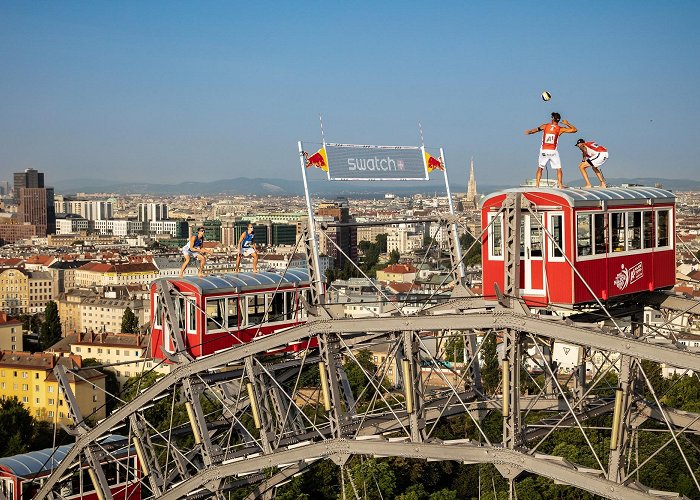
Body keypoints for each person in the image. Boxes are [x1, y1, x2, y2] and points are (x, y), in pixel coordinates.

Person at [525, 112, 577, 188]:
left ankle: (537, 185)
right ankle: (560, 185)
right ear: (558, 120)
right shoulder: (560, 129)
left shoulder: (545, 126)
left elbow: (534, 130)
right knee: (558, 168)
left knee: (540, 168)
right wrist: (567, 123)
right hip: (553, 151)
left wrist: (528, 132)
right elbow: (574, 130)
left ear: (552, 118)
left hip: (544, 151)